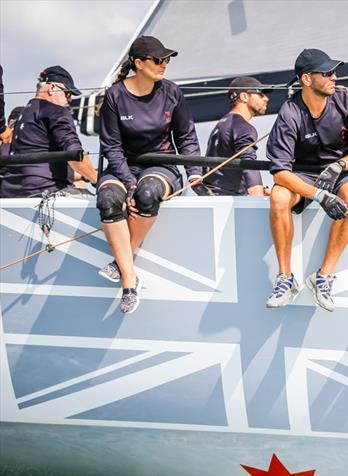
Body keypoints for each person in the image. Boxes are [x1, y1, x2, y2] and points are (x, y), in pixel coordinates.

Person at [96, 36, 202, 314]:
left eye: (167, 59)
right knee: (107, 199)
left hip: (162, 166)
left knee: (147, 194)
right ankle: (130, 280)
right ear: (139, 63)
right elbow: (111, 146)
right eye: (159, 59)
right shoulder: (115, 96)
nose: (165, 64)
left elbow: (187, 136)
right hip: (123, 167)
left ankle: (122, 266)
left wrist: (193, 172)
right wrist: (128, 182)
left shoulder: (172, 92)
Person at [265, 49, 348, 312]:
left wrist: (339, 165)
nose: (334, 77)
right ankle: (285, 279)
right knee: (279, 195)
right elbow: (280, 172)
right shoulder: (289, 112)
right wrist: (320, 195)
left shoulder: (344, 100)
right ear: (306, 79)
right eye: (326, 73)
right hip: (301, 174)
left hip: (341, 171)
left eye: (334, 72)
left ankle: (323, 277)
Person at [0, 66, 97, 198]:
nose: (69, 100)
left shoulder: (24, 113)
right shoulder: (57, 111)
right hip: (44, 190)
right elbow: (74, 153)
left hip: (11, 192)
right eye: (68, 93)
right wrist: (97, 178)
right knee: (106, 204)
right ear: (52, 88)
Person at [195, 76, 271, 196]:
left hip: (213, 196)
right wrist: (259, 199)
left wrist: (263, 189)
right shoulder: (243, 127)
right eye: (260, 93)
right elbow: (249, 165)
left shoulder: (222, 123)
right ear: (244, 97)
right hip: (228, 201)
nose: (266, 98)